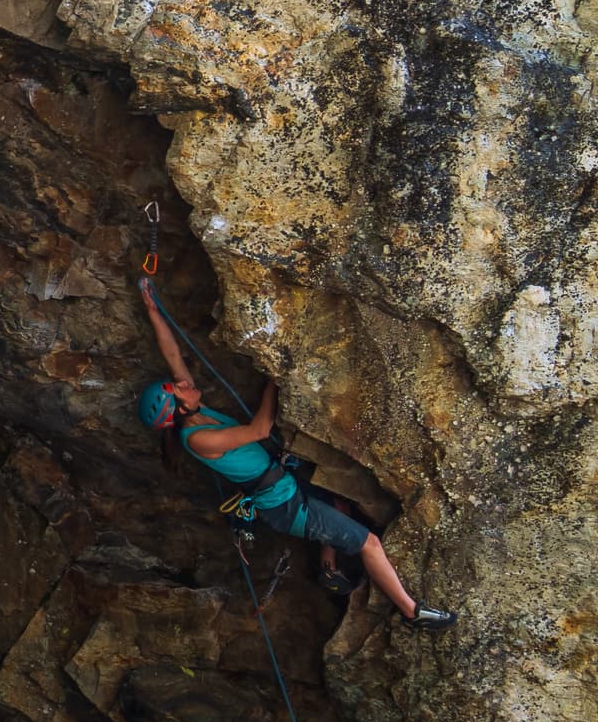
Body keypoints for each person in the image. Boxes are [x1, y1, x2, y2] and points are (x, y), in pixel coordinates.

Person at [137, 268, 453, 629]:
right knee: (368, 543)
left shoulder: (193, 413)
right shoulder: (198, 438)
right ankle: (414, 613)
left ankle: (330, 566)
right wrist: (275, 379)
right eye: (177, 387)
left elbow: (173, 354)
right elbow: (260, 429)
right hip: (285, 506)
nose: (182, 382)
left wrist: (152, 309)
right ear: (177, 408)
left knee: (344, 502)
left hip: (286, 486)